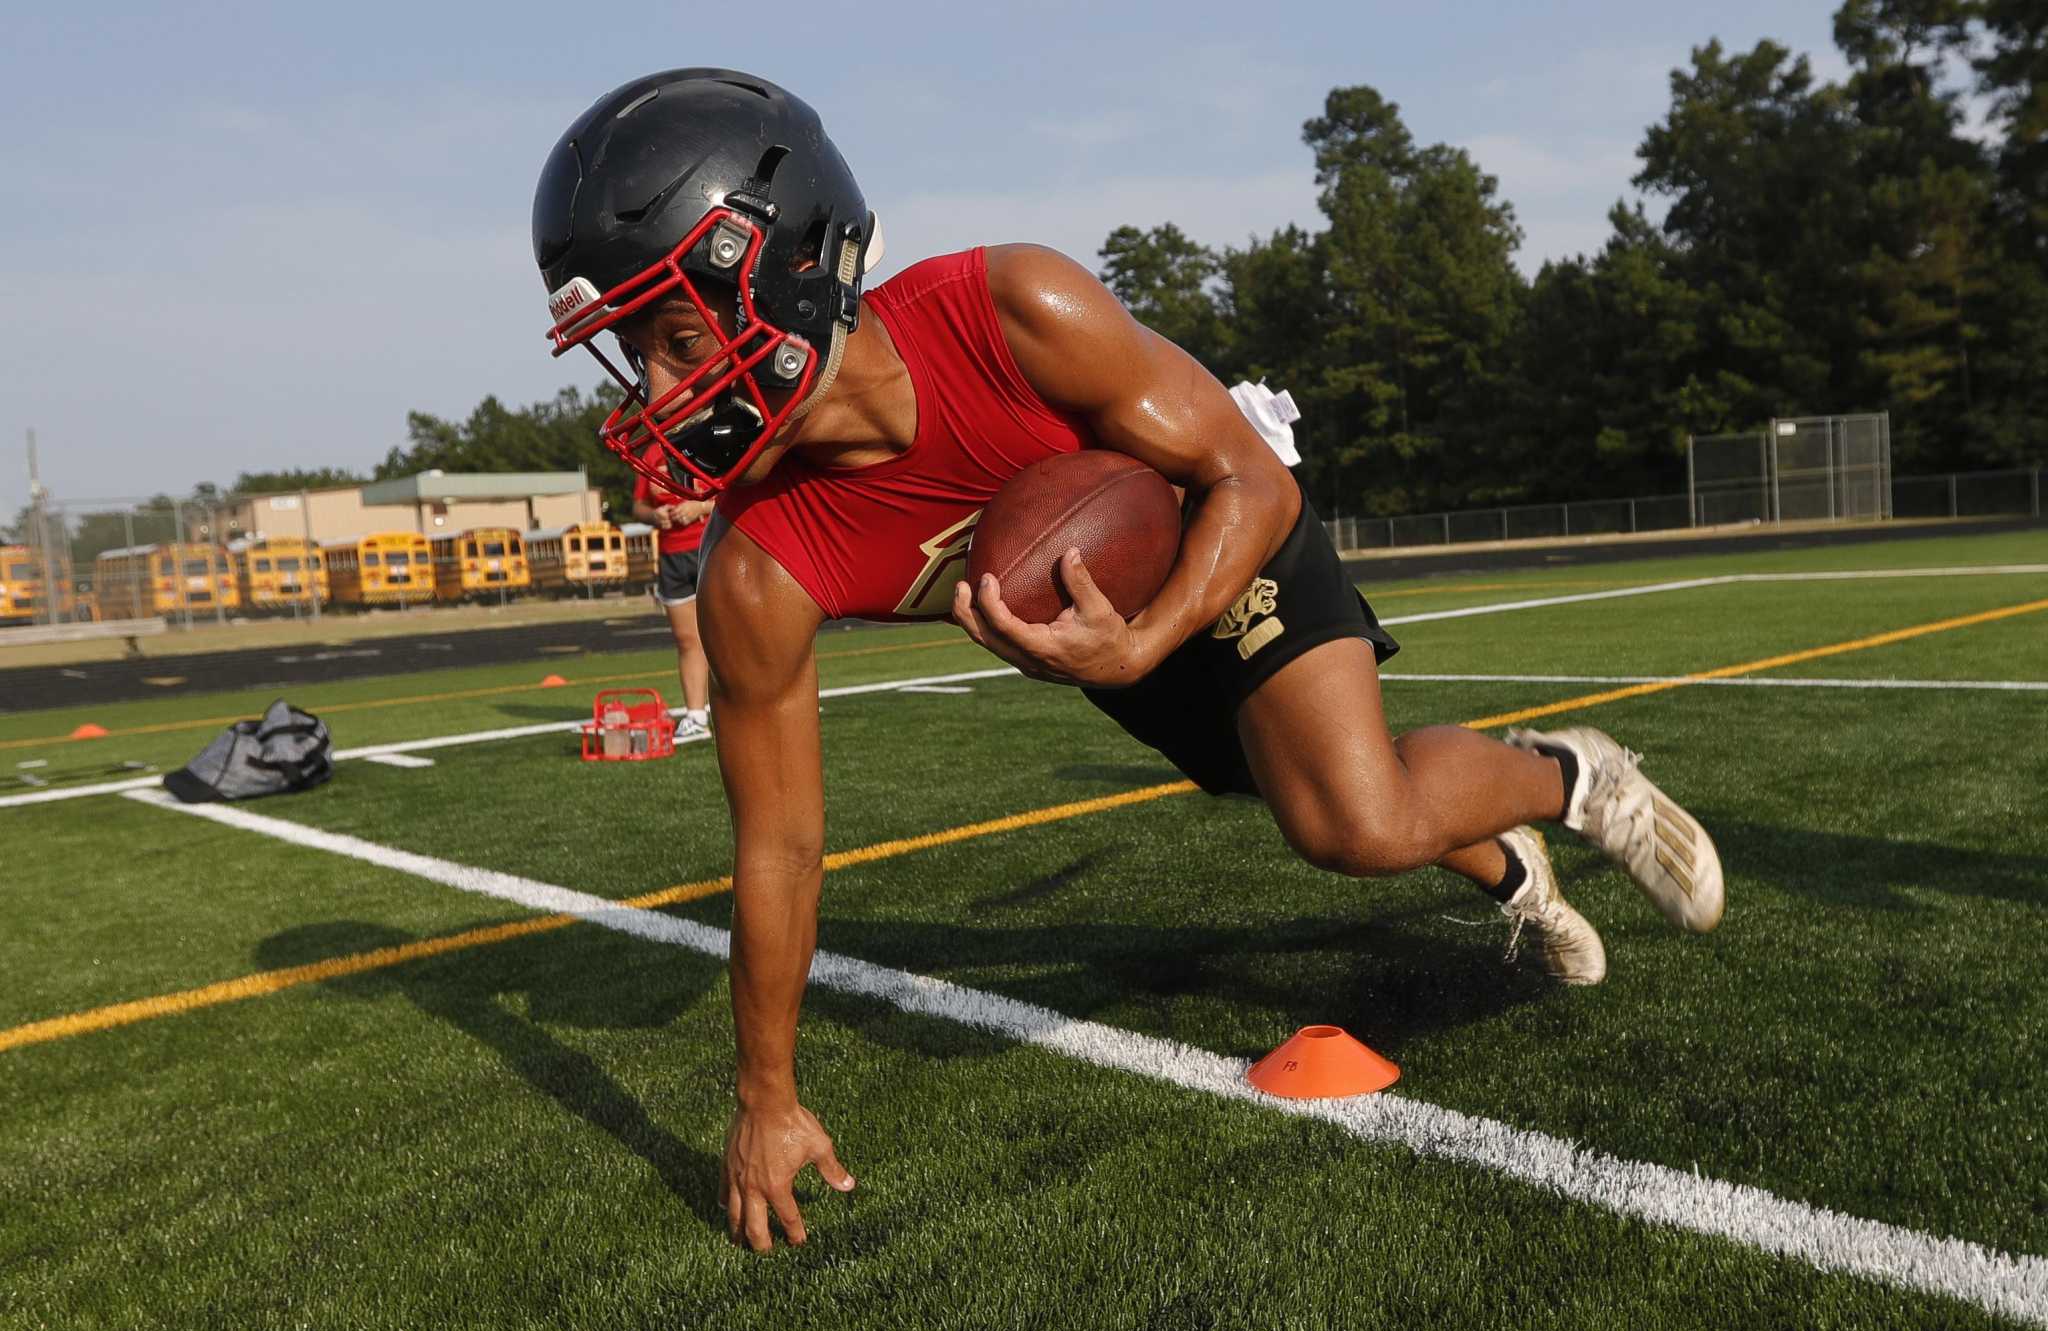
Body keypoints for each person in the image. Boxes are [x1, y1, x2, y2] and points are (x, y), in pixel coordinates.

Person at [532, 68, 1725, 1253]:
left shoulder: (1007, 310)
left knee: (1346, 823)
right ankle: (1506, 869)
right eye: (636, 356)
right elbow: (779, 846)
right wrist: (764, 1096)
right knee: (1304, 785)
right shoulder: (759, 567)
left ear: (794, 261)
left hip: (1220, 528)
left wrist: (1145, 638)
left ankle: (1576, 779)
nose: (664, 390)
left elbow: (1250, 478)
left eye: (679, 336)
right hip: (1105, 638)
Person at [630, 443, 715, 734]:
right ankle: (696, 716)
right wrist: (654, 516)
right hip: (672, 554)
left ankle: (761, 703)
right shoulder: (652, 454)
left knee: (734, 633)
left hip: (712, 544)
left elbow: (739, 493)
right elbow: (639, 505)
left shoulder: (708, 437)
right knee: (687, 639)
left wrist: (701, 507)